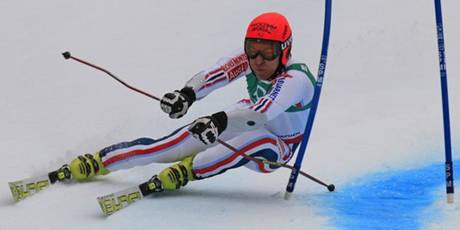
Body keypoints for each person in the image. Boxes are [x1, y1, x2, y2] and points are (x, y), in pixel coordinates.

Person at [50, 12, 316, 194]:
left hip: (277, 148)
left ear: (285, 50)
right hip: (241, 119)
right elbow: (216, 73)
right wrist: (186, 95)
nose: (257, 59)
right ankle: (100, 161)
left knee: (254, 137)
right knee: (170, 145)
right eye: (252, 49)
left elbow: (262, 112)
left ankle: (187, 171)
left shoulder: (297, 79)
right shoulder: (251, 58)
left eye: (268, 51)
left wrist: (218, 121)